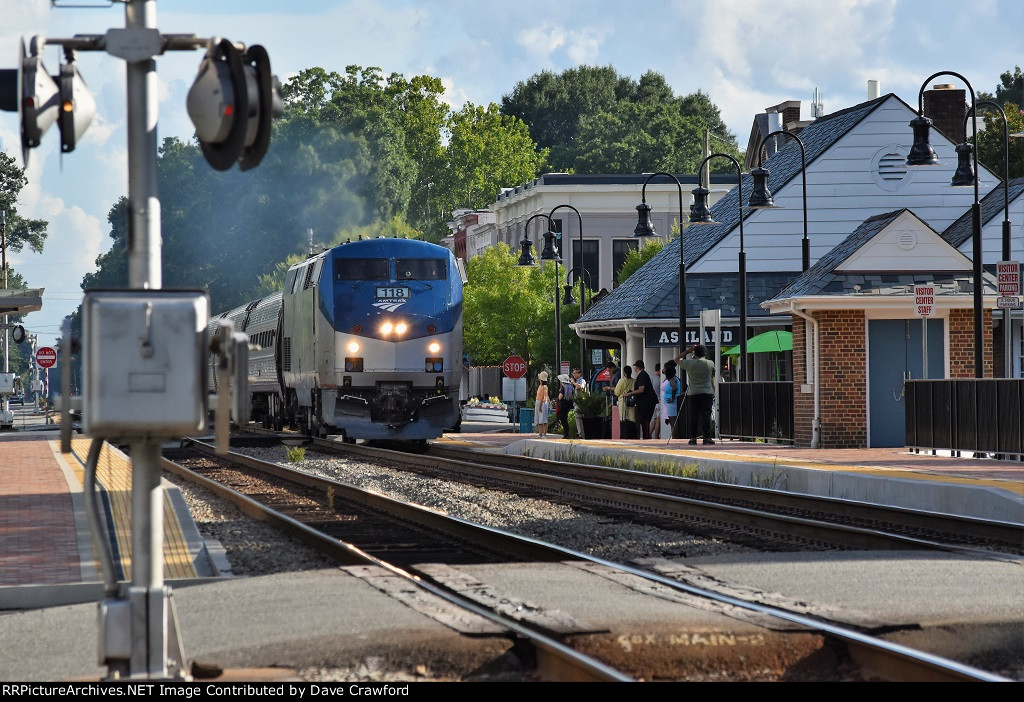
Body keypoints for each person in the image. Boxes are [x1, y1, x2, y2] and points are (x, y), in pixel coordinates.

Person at [677, 344, 716, 445]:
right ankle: (707, 437)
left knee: (693, 416)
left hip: (693, 393)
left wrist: (688, 351)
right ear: (705, 353)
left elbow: (676, 359)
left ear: (694, 353)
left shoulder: (690, 364)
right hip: (707, 392)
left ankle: (693, 438)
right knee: (706, 415)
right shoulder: (710, 363)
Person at [625, 360, 658, 440]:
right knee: (643, 421)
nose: (635, 369)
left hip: (646, 402)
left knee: (645, 420)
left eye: (635, 367)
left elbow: (641, 389)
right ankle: (646, 436)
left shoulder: (642, 376)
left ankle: (646, 436)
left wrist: (630, 393)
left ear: (638, 367)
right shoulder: (643, 375)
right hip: (645, 402)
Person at [613, 364, 637, 438]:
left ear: (624, 372)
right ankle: (632, 435)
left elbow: (616, 392)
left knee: (623, 418)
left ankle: (624, 435)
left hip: (623, 401)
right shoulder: (634, 381)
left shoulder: (621, 381)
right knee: (632, 418)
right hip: (632, 402)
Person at [660, 365, 682, 442]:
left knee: (673, 423)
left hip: (672, 404)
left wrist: (672, 398)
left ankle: (674, 440)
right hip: (671, 404)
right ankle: (674, 438)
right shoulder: (673, 379)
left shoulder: (672, 379)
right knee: (673, 423)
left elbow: (674, 388)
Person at [556, 373, 577, 439]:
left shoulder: (563, 387)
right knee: (565, 418)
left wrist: (559, 394)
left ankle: (566, 434)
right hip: (569, 404)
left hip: (563, 404)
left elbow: (560, 397)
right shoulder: (571, 387)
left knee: (563, 419)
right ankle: (567, 433)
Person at [534, 371, 550, 438]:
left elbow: (543, 397)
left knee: (544, 419)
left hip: (542, 403)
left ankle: (544, 434)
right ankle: (540, 434)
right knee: (539, 419)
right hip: (538, 402)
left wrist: (540, 406)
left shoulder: (544, 387)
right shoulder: (540, 386)